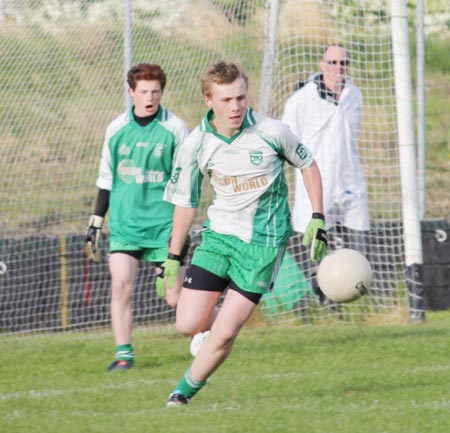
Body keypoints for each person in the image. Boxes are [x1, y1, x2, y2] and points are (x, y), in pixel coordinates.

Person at [156, 61, 328, 406]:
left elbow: (308, 164)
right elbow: (186, 204)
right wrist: (173, 257)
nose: (235, 107)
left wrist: (317, 216)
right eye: (226, 100)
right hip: (218, 238)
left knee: (225, 334)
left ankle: (182, 394)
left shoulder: (272, 131)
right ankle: (209, 333)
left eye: (240, 98)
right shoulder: (196, 144)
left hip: (263, 247)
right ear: (208, 100)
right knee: (187, 324)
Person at [84, 63, 189, 371]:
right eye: (143, 91)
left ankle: (208, 326)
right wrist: (96, 222)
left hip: (164, 226)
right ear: (131, 92)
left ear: (161, 93)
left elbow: (185, 183)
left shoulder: (175, 128)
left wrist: (183, 228)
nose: (149, 97)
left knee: (174, 300)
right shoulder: (116, 129)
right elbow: (106, 179)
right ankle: (123, 354)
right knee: (120, 285)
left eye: (155, 91)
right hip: (126, 226)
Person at [281, 44, 370, 302]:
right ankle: (324, 302)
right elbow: (287, 138)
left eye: (343, 63)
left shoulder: (355, 96)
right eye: (332, 63)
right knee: (316, 249)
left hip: (351, 182)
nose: (338, 68)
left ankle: (356, 300)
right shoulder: (302, 99)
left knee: (360, 248)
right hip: (317, 186)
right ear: (322, 65)